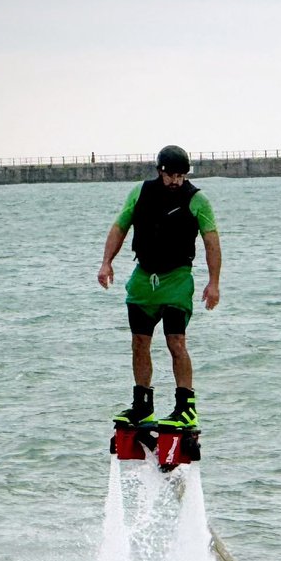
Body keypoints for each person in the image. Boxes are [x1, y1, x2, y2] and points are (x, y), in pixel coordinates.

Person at [97, 144, 220, 430]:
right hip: (143, 278)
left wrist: (213, 283)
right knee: (139, 342)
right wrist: (106, 263)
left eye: (181, 175)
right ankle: (142, 406)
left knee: (176, 341)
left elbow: (211, 241)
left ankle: (185, 408)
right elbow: (120, 226)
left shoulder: (196, 199)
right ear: (159, 171)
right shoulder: (141, 192)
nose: (176, 181)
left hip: (176, 279)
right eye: (171, 175)